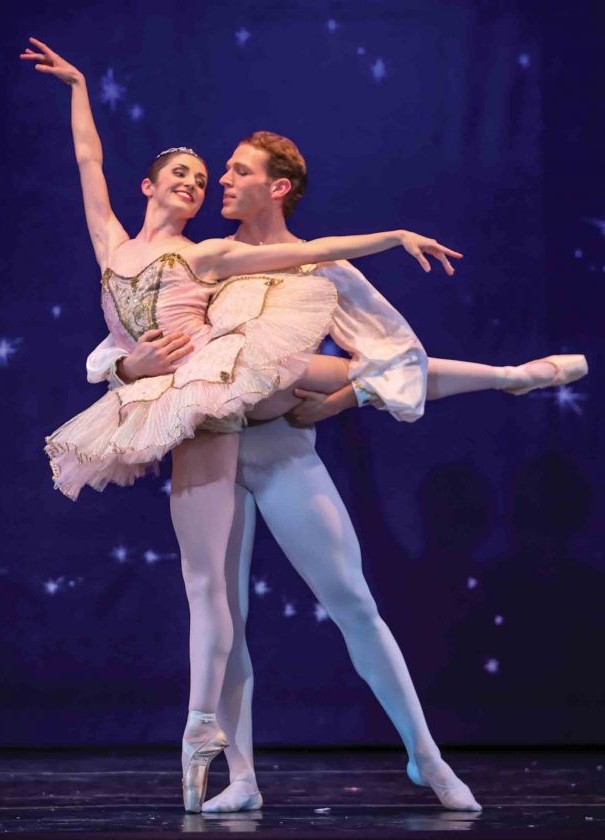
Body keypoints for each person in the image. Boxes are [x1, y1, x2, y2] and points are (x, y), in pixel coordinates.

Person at [88, 131, 588, 815]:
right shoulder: (205, 263)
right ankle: (242, 776)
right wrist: (127, 365)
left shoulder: (322, 270)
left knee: (352, 601)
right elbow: (130, 335)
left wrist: (336, 403)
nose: (220, 182)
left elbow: (392, 359)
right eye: (218, 171)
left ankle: (426, 757)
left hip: (281, 452)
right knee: (225, 617)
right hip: (212, 449)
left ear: (277, 187)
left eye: (236, 171)